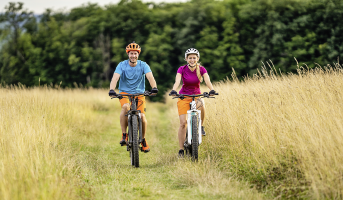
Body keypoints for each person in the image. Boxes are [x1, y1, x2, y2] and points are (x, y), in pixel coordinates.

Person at [109, 41, 158, 153]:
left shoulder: (143, 65)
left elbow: (150, 77)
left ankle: (143, 139)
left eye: (135, 53)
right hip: (124, 93)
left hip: (140, 94)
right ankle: (124, 134)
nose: (133, 56)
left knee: (142, 118)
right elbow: (115, 78)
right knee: (125, 107)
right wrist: (112, 89)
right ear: (128, 54)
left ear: (138, 54)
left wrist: (154, 87)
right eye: (131, 53)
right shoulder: (122, 65)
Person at [169, 48, 216, 157]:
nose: (192, 60)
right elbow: (177, 81)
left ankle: (201, 127)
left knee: (202, 104)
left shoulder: (202, 69)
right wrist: (174, 90)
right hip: (184, 96)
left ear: (197, 59)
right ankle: (181, 149)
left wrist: (212, 90)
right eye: (190, 58)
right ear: (186, 59)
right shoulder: (181, 69)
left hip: (196, 95)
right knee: (182, 123)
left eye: (194, 58)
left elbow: (207, 80)